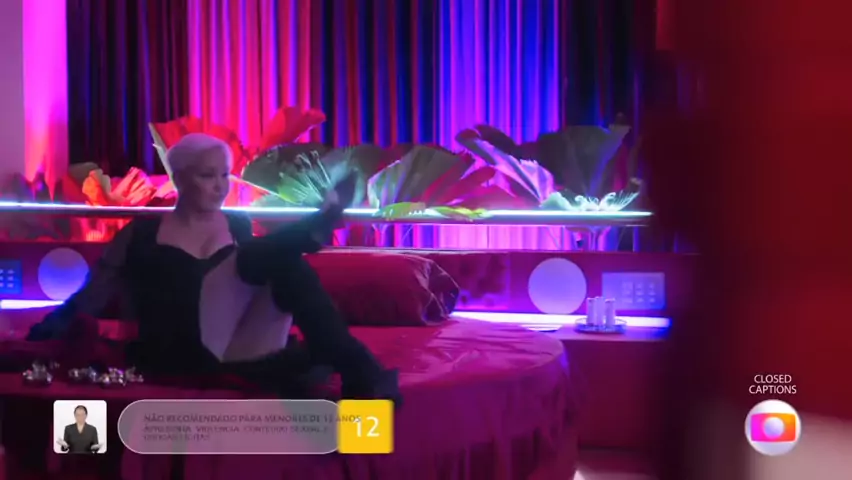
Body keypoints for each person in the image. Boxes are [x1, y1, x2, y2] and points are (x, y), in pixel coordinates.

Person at [27, 133, 400, 402]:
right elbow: (94, 293)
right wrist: (44, 332)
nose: (220, 186)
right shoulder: (143, 233)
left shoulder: (236, 225)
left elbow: (258, 290)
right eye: (207, 176)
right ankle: (314, 232)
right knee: (275, 258)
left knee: (280, 263)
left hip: (237, 346)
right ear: (180, 178)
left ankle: (312, 235)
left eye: (224, 175)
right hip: (176, 350)